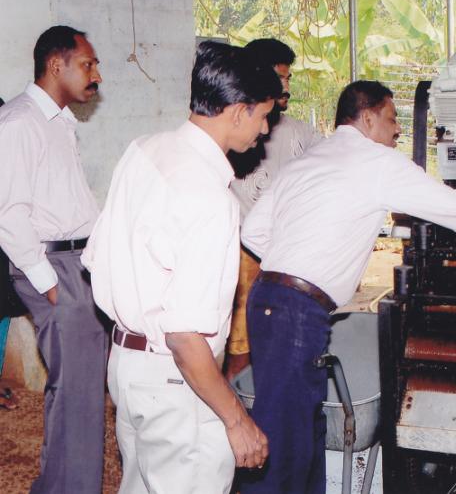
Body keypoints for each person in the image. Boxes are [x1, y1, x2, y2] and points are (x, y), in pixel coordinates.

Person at [239, 80, 456, 493]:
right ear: (368, 118)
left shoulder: (308, 160)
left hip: (268, 299)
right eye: (392, 119)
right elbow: (452, 206)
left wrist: (296, 265)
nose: (399, 129)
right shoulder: (376, 162)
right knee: (285, 440)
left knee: (302, 425)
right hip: (297, 310)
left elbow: (253, 231)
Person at [81, 41, 282, 493]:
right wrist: (236, 420)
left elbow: (95, 258)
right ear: (238, 112)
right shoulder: (210, 198)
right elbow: (185, 337)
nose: (265, 128)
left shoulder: (143, 150)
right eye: (263, 115)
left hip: (127, 366)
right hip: (178, 382)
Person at [0, 25, 107, 493]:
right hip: (53, 265)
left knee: (79, 393)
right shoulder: (19, 122)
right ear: (55, 64)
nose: (96, 75)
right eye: (88, 64)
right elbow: (8, 213)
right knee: (78, 394)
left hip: (77, 263)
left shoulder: (58, 122)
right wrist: (48, 284)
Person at [225, 37, 324, 380]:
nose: (287, 87)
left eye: (288, 78)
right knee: (240, 351)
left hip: (285, 255)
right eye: (280, 78)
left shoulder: (299, 132)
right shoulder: (232, 132)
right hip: (242, 255)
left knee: (281, 345)